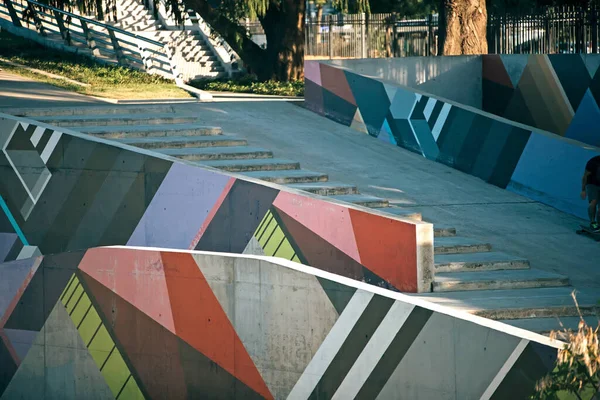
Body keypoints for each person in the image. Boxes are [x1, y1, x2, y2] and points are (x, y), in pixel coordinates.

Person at [581, 155, 600, 232]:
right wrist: (583, 190)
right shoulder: (593, 162)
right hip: (592, 184)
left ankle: (598, 225)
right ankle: (593, 222)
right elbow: (585, 176)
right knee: (593, 202)